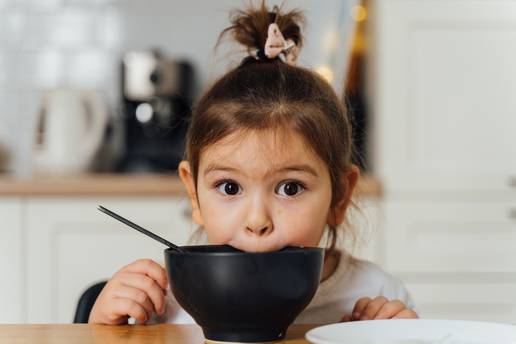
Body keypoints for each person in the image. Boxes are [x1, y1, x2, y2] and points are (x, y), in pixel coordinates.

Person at [89, 1, 418, 326]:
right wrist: (101, 327)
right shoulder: (166, 302)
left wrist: (400, 336)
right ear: (194, 194)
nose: (257, 221)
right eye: (230, 187)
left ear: (340, 196)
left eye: (290, 188)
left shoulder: (378, 295)